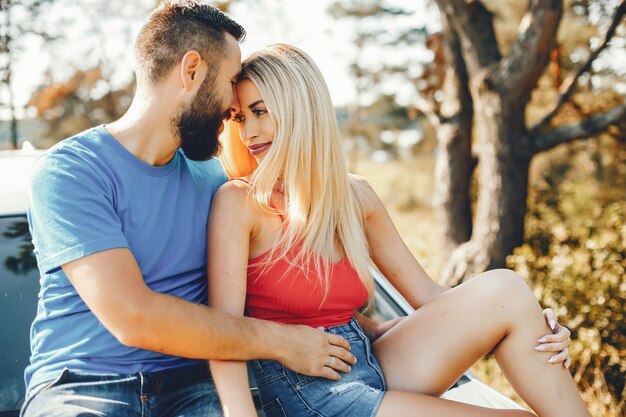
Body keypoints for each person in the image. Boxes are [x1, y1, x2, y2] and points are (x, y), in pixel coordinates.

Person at [209, 44, 591, 417]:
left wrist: (536, 327)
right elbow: (223, 334)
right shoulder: (239, 202)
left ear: (302, 112)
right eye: (240, 118)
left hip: (370, 361)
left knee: (507, 289)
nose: (248, 134)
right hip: (306, 391)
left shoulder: (354, 196)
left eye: (260, 112)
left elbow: (429, 296)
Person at [21, 4, 358, 417]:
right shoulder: (70, 172)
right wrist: (283, 341)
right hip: (84, 386)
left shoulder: (219, 181)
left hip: (195, 388)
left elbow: (283, 278)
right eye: (232, 81)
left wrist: (359, 327)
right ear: (192, 70)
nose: (234, 104)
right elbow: (133, 318)